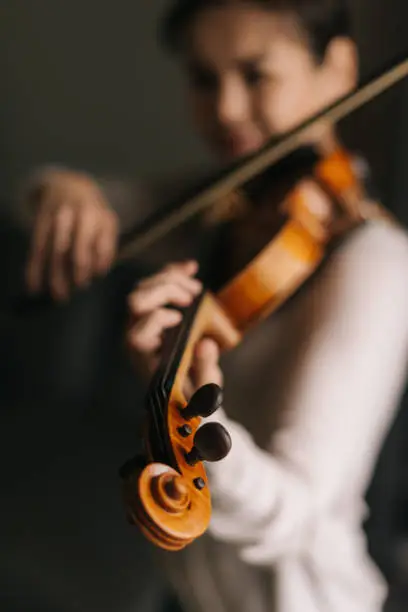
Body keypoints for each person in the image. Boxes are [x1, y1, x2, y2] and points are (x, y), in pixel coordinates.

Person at [20, 1, 408, 611]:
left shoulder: (376, 261)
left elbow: (295, 515)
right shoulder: (223, 204)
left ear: (338, 68)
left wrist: (189, 414)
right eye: (204, 79)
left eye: (256, 75)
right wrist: (61, 189)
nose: (225, 108)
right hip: (187, 591)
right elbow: (58, 200)